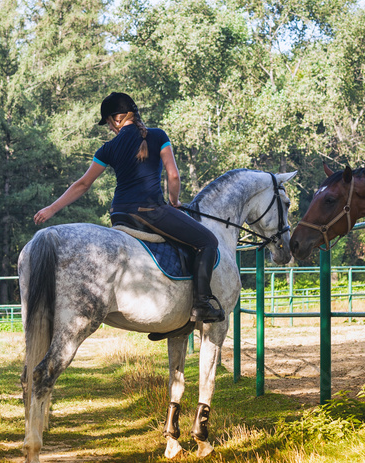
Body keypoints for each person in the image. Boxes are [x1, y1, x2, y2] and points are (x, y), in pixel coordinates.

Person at [33, 92, 224, 323]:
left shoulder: (108, 148)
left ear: (116, 119)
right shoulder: (158, 136)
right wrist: (174, 202)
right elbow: (173, 176)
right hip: (150, 213)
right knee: (207, 241)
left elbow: (83, 184)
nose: (110, 129)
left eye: (108, 124)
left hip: (120, 214)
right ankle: (202, 303)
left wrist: (51, 209)